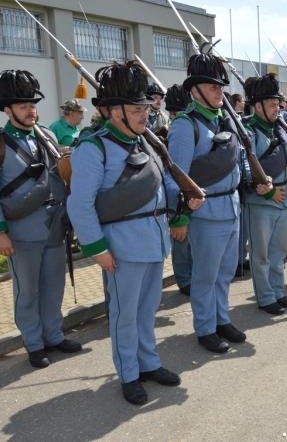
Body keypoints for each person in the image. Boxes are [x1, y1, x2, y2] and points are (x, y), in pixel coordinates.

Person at [68, 61, 198, 404]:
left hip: (154, 241)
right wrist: (97, 248)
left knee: (147, 309)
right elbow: (79, 205)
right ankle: (128, 372)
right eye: (136, 108)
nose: (144, 114)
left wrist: (184, 201)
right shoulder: (92, 148)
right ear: (112, 112)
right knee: (125, 315)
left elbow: (161, 187)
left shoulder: (146, 143)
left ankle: (148, 362)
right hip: (120, 245)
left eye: (145, 107)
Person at [166, 50, 270, 353]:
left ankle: (221, 318)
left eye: (220, 88)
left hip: (231, 207)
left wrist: (256, 179)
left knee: (226, 273)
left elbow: (239, 160)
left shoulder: (225, 120)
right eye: (213, 87)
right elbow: (177, 176)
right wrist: (180, 217)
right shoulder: (186, 126)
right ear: (194, 90)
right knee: (205, 275)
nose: (219, 93)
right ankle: (205, 327)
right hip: (206, 211)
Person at [0, 69, 80, 369]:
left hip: (54, 225)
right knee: (28, 291)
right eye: (23, 105)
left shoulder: (46, 135)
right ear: (8, 110)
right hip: (22, 231)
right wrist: (0, 232)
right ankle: (34, 344)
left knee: (53, 286)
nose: (30, 110)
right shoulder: (1, 143)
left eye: (32, 104)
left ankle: (54, 335)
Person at [242, 73, 287, 314]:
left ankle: (278, 291)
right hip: (262, 201)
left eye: (278, 104)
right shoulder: (248, 130)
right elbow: (246, 165)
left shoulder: (280, 128)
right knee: (261, 254)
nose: (277, 108)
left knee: (280, 251)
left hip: (284, 196)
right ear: (258, 106)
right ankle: (266, 296)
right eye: (272, 104)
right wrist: (268, 193)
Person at [163, 83, 193, 296]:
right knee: (181, 242)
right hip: (178, 195)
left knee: (190, 243)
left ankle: (189, 276)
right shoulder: (177, 127)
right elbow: (174, 173)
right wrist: (177, 214)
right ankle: (184, 279)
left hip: (192, 192)